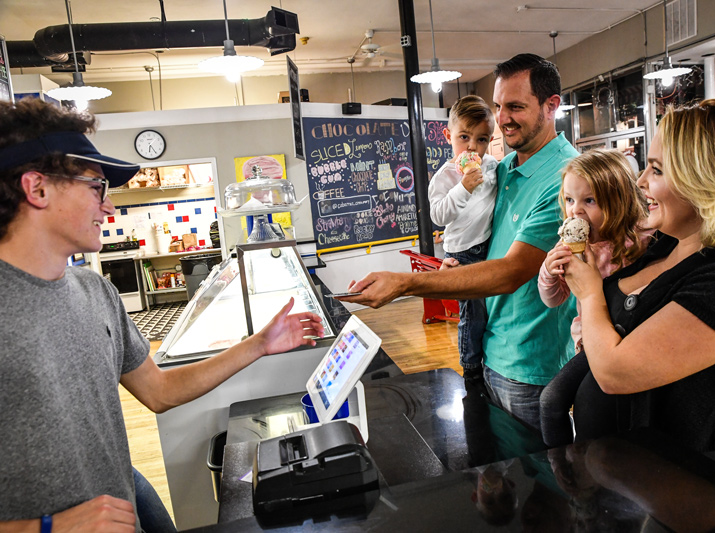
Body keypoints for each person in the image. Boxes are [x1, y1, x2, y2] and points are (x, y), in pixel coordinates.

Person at [0, 98, 325, 532]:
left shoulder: (96, 293)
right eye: (96, 187)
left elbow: (160, 391)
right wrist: (43, 527)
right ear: (36, 188)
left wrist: (260, 344)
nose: (109, 207)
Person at [343, 54, 579, 430]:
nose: (503, 119)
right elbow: (476, 232)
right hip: (492, 351)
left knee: (539, 476)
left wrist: (408, 282)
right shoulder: (503, 168)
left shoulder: (567, 177)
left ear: (552, 106)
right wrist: (453, 265)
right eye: (499, 106)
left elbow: (511, 271)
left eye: (516, 107)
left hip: (528, 364)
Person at [559, 99, 715, 466]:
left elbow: (616, 373)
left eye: (657, 170)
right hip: (610, 472)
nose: (640, 181)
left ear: (710, 182)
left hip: (673, 487)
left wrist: (589, 294)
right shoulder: (666, 243)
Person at [537, 149, 650, 447]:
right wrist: (549, 271)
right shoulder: (571, 247)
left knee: (594, 415)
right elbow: (553, 299)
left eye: (589, 201)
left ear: (619, 201)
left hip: (625, 346)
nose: (576, 211)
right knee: (552, 402)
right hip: (588, 343)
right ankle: (562, 466)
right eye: (570, 200)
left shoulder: (639, 243)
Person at [427, 95, 498, 384]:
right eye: (464, 137)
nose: (472, 147)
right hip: (463, 252)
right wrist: (463, 188)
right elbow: (438, 215)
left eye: (481, 140)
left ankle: (489, 359)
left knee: (491, 308)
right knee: (472, 311)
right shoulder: (445, 176)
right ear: (448, 136)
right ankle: (470, 366)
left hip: (490, 245)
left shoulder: (492, 166)